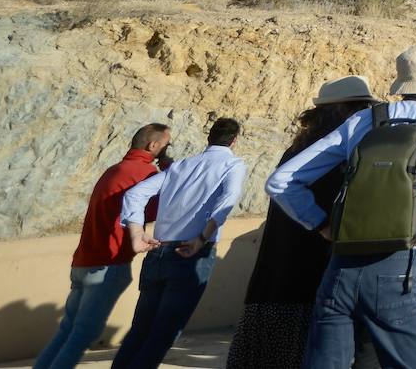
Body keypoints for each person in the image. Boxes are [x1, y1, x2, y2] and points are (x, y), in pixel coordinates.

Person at [266, 45, 416, 369]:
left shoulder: (364, 120)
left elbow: (280, 181)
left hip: (341, 263)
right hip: (399, 265)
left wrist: (323, 226)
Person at [227, 77, 379, 369]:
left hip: (278, 271)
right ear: (341, 112)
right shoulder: (331, 153)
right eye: (359, 108)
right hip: (306, 272)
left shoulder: (301, 147)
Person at [113, 117, 246, 369]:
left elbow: (135, 194)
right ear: (234, 140)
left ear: (209, 137)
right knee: (162, 335)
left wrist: (135, 234)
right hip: (190, 253)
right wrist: (201, 239)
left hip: (158, 251)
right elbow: (225, 203)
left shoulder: (181, 165)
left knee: (139, 332)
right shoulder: (233, 164)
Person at [35, 123, 171, 369]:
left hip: (84, 261)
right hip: (107, 265)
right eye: (166, 144)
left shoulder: (114, 169)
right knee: (81, 336)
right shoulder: (144, 173)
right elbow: (156, 211)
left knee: (67, 330)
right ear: (153, 146)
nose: (167, 149)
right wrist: (168, 174)